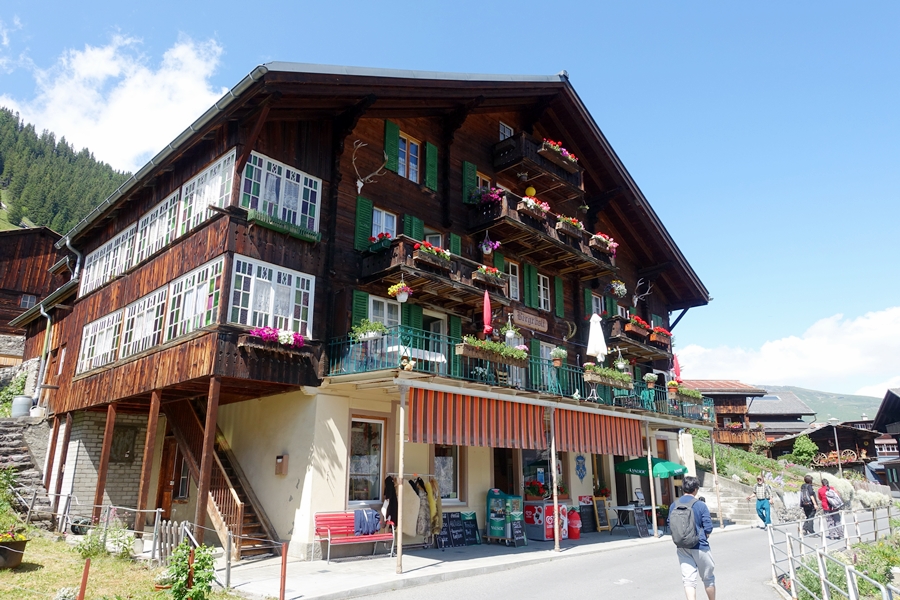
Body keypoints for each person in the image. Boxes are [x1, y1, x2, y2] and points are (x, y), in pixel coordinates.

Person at [669, 475, 716, 600]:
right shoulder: (700, 505)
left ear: (682, 488)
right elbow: (708, 527)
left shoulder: (674, 505)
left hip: (682, 546)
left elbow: (670, 524)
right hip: (700, 546)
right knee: (708, 578)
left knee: (688, 580)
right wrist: (703, 536)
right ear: (695, 489)